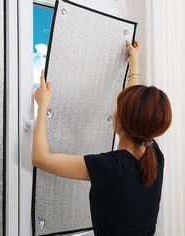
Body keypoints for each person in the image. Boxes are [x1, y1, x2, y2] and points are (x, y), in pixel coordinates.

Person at [32, 40, 172, 236]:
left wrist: (43, 105)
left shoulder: (109, 167)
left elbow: (40, 158)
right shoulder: (155, 155)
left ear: (122, 121)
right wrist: (134, 60)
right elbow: (139, 109)